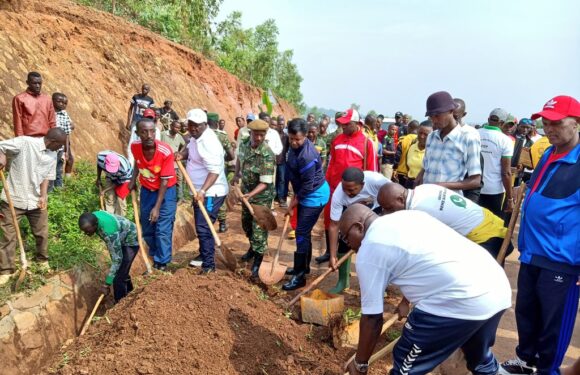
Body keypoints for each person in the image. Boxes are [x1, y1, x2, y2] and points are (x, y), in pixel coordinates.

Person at [341, 205, 511, 375]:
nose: (349, 245)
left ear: (359, 227)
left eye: (347, 238)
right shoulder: (407, 217)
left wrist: (360, 364)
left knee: (405, 366)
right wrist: (405, 302)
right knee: (479, 359)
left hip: (462, 299)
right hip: (495, 287)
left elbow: (372, 318)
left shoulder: (370, 249)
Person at [500, 95, 580, 375]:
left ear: (576, 123)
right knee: (527, 312)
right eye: (546, 122)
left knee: (552, 323)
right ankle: (525, 360)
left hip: (562, 258)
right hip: (533, 252)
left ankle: (548, 369)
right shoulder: (548, 153)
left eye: (557, 122)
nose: (550, 128)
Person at [0, 128, 67, 285]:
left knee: (42, 232)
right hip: (14, 199)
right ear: (53, 141)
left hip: (35, 200)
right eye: (61, 145)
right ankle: (6, 270)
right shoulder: (25, 143)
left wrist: (44, 196)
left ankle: (42, 260)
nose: (61, 148)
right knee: (8, 236)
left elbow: (46, 177)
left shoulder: (53, 154)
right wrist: (2, 157)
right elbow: (1, 145)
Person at [379, 183, 512, 260]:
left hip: (485, 239)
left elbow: (425, 250)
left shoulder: (417, 211)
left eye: (390, 208)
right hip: (490, 221)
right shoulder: (422, 189)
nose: (389, 213)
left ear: (401, 200)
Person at [316, 108, 377, 265]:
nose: (343, 127)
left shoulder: (366, 144)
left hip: (354, 194)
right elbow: (331, 164)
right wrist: (327, 184)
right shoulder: (337, 140)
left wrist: (365, 196)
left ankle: (346, 263)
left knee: (349, 226)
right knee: (330, 220)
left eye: (347, 124)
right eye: (342, 124)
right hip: (334, 189)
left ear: (357, 123)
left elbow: (371, 172)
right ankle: (330, 252)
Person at [176, 109, 228, 273]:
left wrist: (203, 191)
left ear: (205, 125)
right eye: (190, 125)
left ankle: (208, 266)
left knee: (204, 227)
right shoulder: (195, 138)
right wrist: (181, 155)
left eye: (196, 126)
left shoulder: (209, 143)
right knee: (203, 226)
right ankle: (204, 255)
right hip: (199, 191)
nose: (193, 128)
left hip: (211, 192)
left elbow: (214, 172)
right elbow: (189, 149)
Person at [282, 118, 330, 290]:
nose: (294, 142)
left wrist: (293, 202)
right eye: (291, 138)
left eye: (298, 140)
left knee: (301, 232)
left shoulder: (307, 155)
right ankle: (303, 267)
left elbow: (308, 186)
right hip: (303, 191)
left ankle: (300, 276)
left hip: (314, 195)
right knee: (304, 233)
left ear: (305, 137)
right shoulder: (292, 147)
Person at [328, 168, 390, 294]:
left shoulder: (376, 181)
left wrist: (387, 213)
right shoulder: (338, 195)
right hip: (351, 215)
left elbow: (395, 192)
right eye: (344, 188)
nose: (347, 192)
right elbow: (334, 225)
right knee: (344, 241)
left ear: (362, 184)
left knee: (377, 248)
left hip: (377, 212)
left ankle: (378, 284)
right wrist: (332, 255)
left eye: (351, 190)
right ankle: (342, 281)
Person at [128, 118, 177, 272]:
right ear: (137, 133)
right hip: (147, 190)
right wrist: (133, 179)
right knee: (147, 226)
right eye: (144, 131)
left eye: (152, 131)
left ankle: (162, 263)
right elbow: (137, 161)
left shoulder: (165, 151)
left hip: (166, 192)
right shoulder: (135, 146)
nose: (149, 135)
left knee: (162, 227)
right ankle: (156, 255)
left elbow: (164, 182)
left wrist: (157, 207)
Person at [416, 91, 482, 194]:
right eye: (431, 117)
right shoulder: (431, 137)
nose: (434, 120)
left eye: (437, 116)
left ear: (451, 111)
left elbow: (475, 181)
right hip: (427, 197)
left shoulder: (468, 138)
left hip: (449, 201)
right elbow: (424, 169)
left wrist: (440, 186)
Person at [233, 119, 275, 278]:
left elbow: (265, 183)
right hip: (246, 192)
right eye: (256, 134)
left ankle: (258, 260)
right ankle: (252, 248)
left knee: (259, 230)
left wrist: (250, 195)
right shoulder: (244, 144)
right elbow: (239, 158)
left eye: (262, 135)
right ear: (250, 133)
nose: (258, 138)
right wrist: (236, 174)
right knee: (246, 225)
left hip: (261, 197)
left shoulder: (267, 154)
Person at [78, 211, 139, 302]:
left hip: (131, 240)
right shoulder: (93, 217)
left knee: (118, 278)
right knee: (122, 270)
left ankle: (120, 305)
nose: (86, 233)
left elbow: (117, 259)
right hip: (120, 237)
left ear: (96, 224)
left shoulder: (109, 232)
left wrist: (107, 284)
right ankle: (130, 294)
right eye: (84, 231)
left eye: (87, 230)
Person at [478, 108, 514, 217]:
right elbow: (506, 173)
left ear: (488, 119)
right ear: (502, 123)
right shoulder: (505, 140)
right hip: (494, 190)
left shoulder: (474, 134)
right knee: (492, 224)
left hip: (472, 187)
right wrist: (510, 198)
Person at [207, 113, 235, 233]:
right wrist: (225, 160)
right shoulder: (222, 136)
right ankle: (222, 223)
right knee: (219, 194)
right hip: (219, 169)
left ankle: (208, 219)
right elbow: (231, 155)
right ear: (217, 123)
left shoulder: (202, 136)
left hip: (205, 171)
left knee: (208, 194)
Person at [453, 97, 484, 204]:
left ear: (464, 114)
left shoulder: (471, 134)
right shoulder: (440, 133)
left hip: (465, 190)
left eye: (455, 116)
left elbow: (475, 178)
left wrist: (471, 202)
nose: (452, 119)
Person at [13, 71, 56, 137]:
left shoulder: (47, 99)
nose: (38, 86)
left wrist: (53, 138)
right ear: (27, 83)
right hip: (28, 138)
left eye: (39, 83)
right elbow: (17, 121)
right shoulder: (19, 99)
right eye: (34, 83)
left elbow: (52, 121)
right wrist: (20, 140)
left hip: (45, 139)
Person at [49, 92, 74, 190]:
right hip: (49, 146)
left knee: (58, 169)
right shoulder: (48, 112)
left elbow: (67, 134)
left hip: (60, 148)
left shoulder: (65, 114)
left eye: (65, 103)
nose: (62, 104)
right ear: (52, 101)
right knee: (48, 169)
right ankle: (49, 191)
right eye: (59, 102)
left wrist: (67, 151)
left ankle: (58, 190)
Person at [96, 151, 133, 216]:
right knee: (110, 198)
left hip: (125, 178)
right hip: (110, 176)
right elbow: (99, 166)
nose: (112, 171)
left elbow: (117, 183)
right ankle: (111, 217)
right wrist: (98, 178)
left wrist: (104, 190)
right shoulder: (101, 157)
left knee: (120, 199)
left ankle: (121, 219)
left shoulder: (123, 168)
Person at [160, 120, 186, 202]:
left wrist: (180, 152)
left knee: (178, 179)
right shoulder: (163, 134)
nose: (177, 129)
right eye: (175, 127)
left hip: (175, 163)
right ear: (171, 126)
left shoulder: (179, 136)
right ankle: (165, 198)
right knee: (166, 180)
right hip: (164, 162)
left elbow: (185, 144)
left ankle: (179, 198)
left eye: (179, 128)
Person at [404, 121, 433, 188]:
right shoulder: (412, 147)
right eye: (420, 133)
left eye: (426, 134)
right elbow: (408, 165)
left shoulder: (433, 150)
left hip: (424, 185)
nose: (422, 136)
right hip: (409, 183)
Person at [275, 115, 289, 208]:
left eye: (282, 124)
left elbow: (287, 149)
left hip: (282, 161)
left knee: (282, 180)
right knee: (274, 180)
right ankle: (275, 196)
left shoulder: (286, 136)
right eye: (279, 124)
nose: (281, 126)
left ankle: (281, 198)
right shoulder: (273, 135)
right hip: (272, 161)